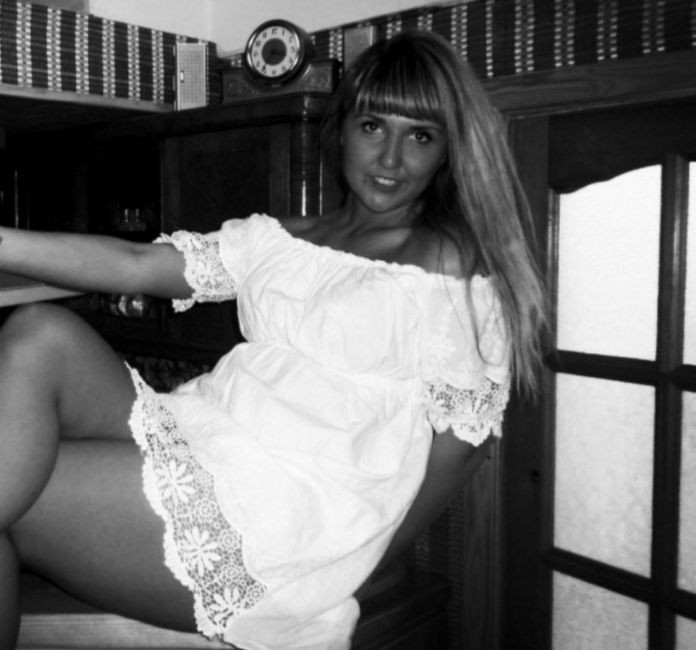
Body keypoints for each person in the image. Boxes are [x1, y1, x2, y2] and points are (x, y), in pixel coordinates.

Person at [0, 30, 545, 650]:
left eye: (420, 136)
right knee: (41, 331)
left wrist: (366, 561)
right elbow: (135, 264)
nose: (391, 159)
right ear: (341, 129)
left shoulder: (450, 268)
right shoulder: (281, 238)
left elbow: (461, 449)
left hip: (283, 510)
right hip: (214, 431)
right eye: (373, 127)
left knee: (15, 497)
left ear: (446, 151)